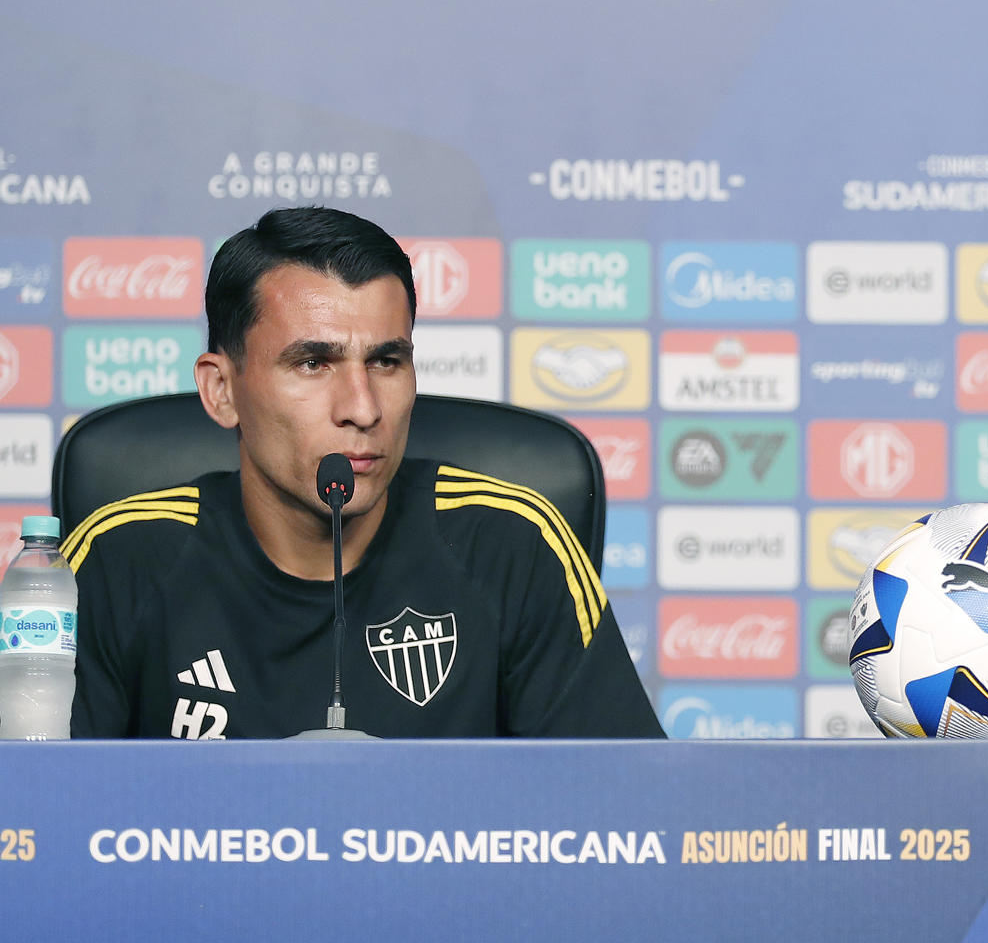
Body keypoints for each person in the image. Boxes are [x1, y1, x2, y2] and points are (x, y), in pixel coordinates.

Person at [63, 207, 663, 739]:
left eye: (386, 361)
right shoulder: (119, 557)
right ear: (222, 390)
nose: (364, 407)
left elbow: (628, 807)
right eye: (313, 362)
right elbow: (39, 805)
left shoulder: (514, 543)